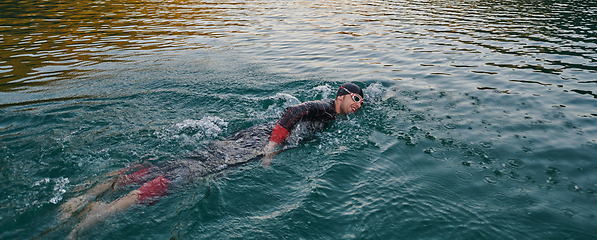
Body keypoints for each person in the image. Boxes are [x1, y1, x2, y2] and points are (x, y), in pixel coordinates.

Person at [58, 83, 364, 239]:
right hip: (256, 143)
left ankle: (89, 192)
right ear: (341, 95)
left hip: (250, 136)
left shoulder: (331, 114)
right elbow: (293, 112)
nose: (358, 105)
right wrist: (271, 150)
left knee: (179, 162)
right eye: (356, 99)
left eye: (361, 102)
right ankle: (104, 210)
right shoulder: (323, 107)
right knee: (186, 174)